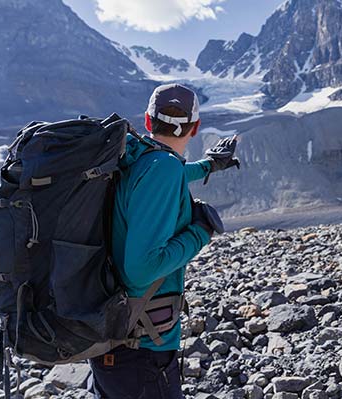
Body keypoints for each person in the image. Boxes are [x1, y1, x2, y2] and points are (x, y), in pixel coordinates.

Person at [88, 83, 240, 399]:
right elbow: (142, 269)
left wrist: (210, 166)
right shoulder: (162, 169)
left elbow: (165, 177)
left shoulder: (134, 159)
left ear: (147, 121)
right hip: (142, 350)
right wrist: (200, 232)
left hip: (110, 340)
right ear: (195, 127)